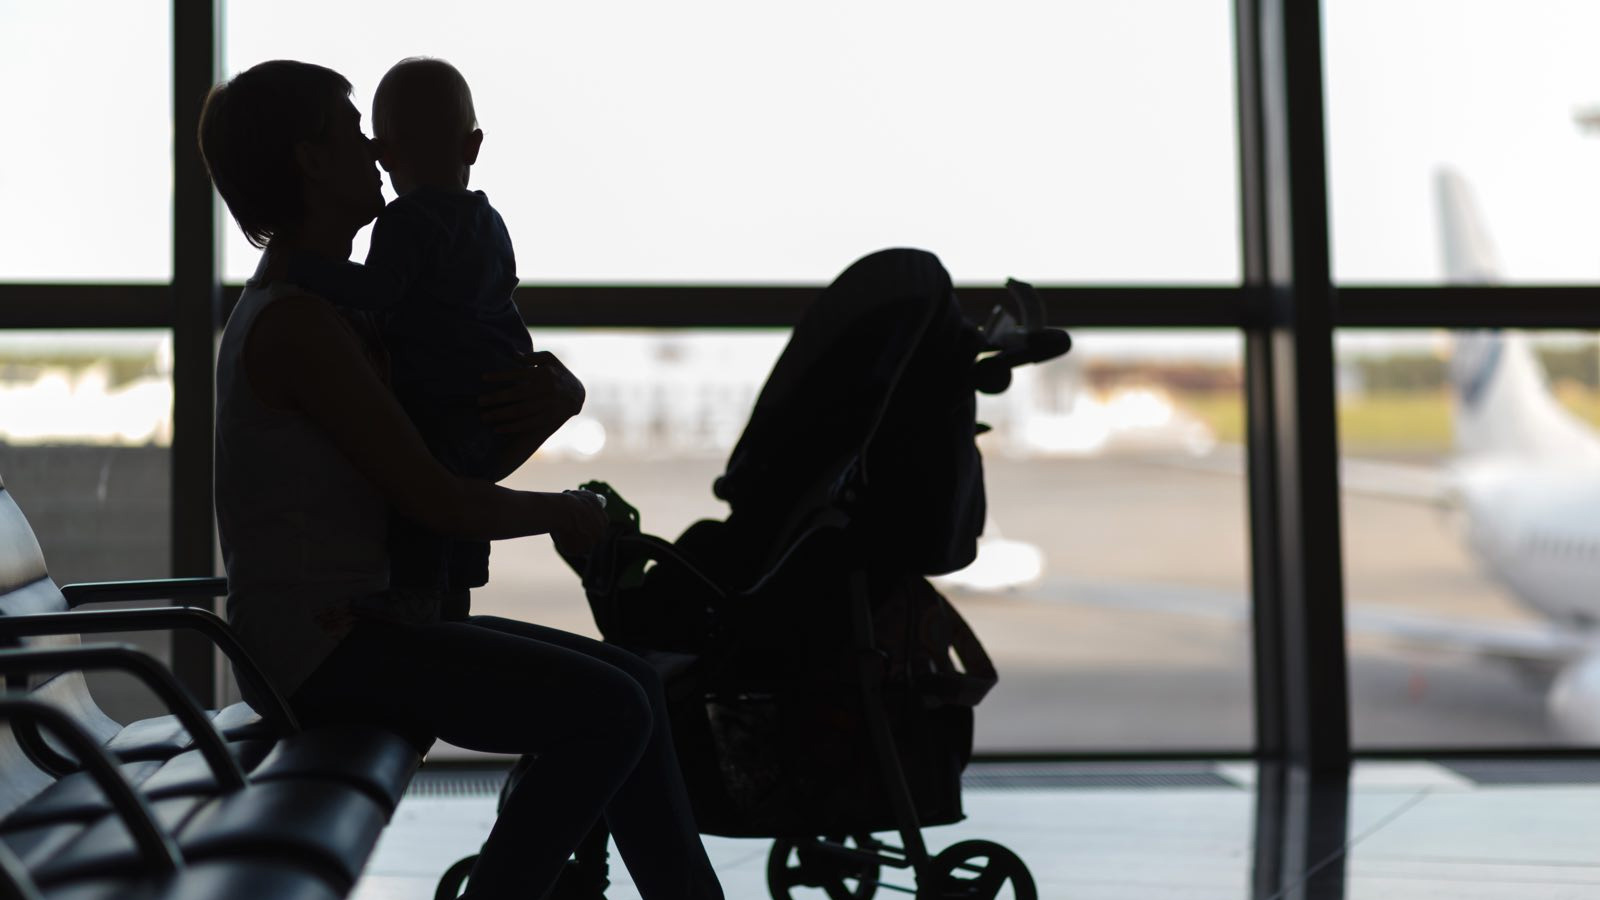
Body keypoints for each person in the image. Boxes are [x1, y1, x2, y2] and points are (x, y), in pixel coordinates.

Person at [199, 59, 724, 900]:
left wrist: (545, 407)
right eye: (349, 130)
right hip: (329, 649)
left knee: (632, 687)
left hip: (356, 632)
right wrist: (562, 511)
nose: (374, 145)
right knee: (615, 708)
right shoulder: (299, 326)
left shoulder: (342, 314)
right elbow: (436, 501)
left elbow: (439, 473)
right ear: (311, 160)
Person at [286, 57, 528, 611]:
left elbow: (378, 291)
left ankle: (414, 605)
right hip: (490, 395)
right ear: (474, 145)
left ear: (387, 154)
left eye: (377, 145)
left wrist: (303, 270)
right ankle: (450, 604)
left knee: (422, 520)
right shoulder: (490, 222)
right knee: (462, 526)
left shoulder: (405, 221)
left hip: (435, 405)